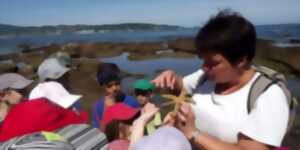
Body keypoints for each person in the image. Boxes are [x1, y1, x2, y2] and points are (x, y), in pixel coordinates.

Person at [152, 10, 289, 150]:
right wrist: (172, 78)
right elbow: (181, 88)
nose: (204, 67)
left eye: (213, 62)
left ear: (241, 60)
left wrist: (193, 134)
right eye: (203, 60)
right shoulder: (206, 76)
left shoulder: (268, 95)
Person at [91, 63, 140, 128]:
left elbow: (138, 126)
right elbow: (99, 132)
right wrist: (107, 110)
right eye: (109, 86)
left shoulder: (131, 102)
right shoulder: (97, 106)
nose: (114, 88)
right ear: (103, 86)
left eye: (117, 84)